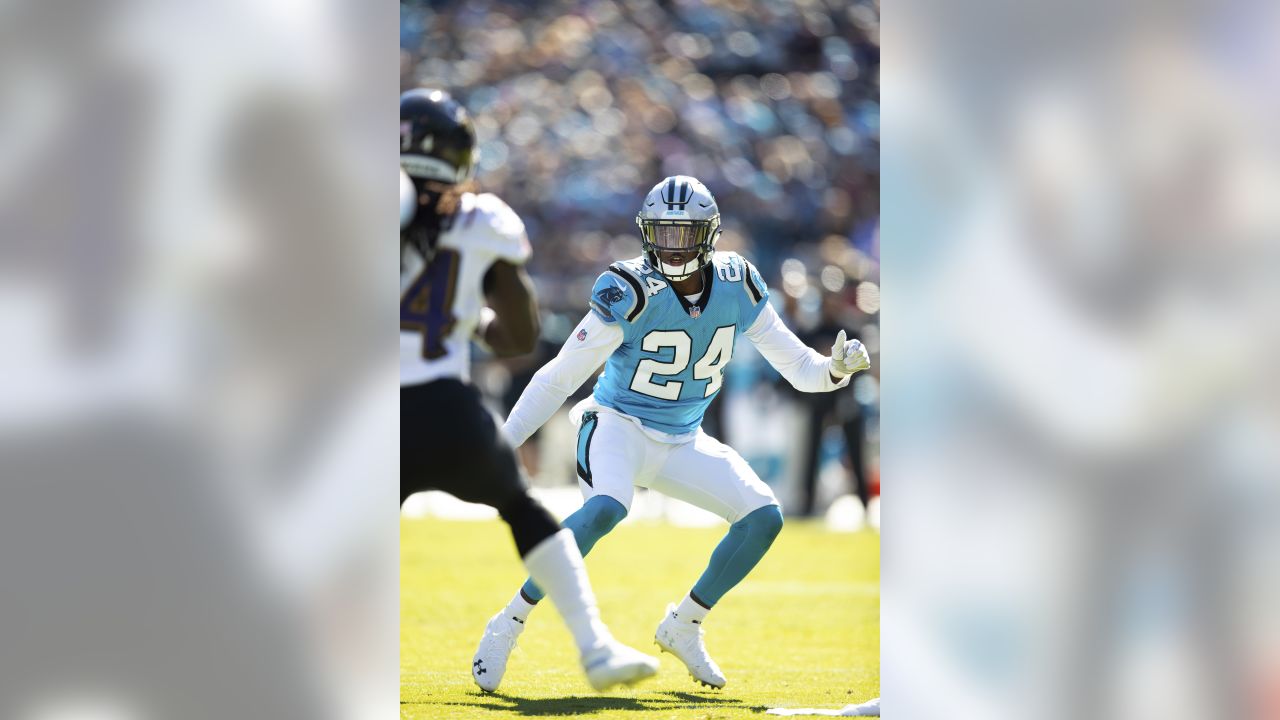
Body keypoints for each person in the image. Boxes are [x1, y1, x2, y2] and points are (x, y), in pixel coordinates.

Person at [472, 175, 872, 690]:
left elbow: (803, 370)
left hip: (683, 437)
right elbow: (560, 376)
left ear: (709, 236)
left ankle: (684, 624)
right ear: (645, 233)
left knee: (763, 518)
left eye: (685, 234)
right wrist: (505, 444)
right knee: (605, 509)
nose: (672, 245)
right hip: (617, 424)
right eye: (663, 233)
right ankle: (508, 621)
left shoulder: (738, 283)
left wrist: (836, 368)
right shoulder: (631, 289)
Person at [398, 88, 658, 692]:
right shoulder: (482, 221)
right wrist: (469, 322)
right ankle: (594, 646)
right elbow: (519, 337)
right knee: (523, 511)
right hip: (445, 407)